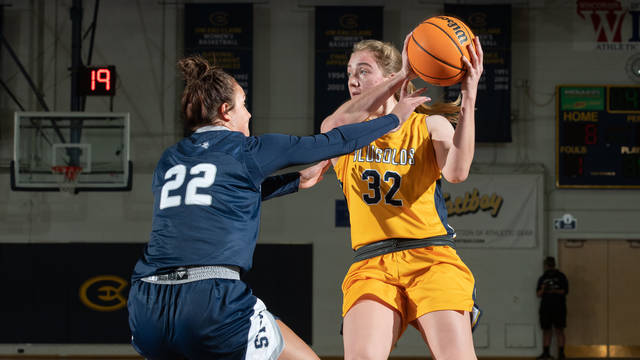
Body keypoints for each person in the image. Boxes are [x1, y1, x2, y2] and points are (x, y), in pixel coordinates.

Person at [127, 55, 428, 360]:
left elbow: (220, 196)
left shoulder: (170, 159)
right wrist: (394, 119)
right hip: (208, 302)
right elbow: (333, 141)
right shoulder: (246, 150)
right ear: (225, 111)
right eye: (244, 104)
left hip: (146, 306)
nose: (249, 113)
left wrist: (294, 182)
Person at [320, 33, 484, 360]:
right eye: (350, 73)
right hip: (373, 262)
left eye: (363, 71)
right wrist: (402, 77)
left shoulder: (431, 125)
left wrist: (468, 94)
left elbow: (456, 173)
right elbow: (334, 123)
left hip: (431, 258)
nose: (353, 79)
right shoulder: (344, 133)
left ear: (390, 74)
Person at [536, 256, 569, 360]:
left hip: (558, 307)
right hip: (546, 308)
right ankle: (546, 353)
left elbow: (565, 291)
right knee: (546, 330)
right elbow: (538, 294)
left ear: (553, 264)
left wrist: (554, 291)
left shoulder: (561, 276)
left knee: (559, 329)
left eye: (550, 264)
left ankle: (561, 354)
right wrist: (543, 288)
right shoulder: (543, 278)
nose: (548, 266)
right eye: (547, 264)